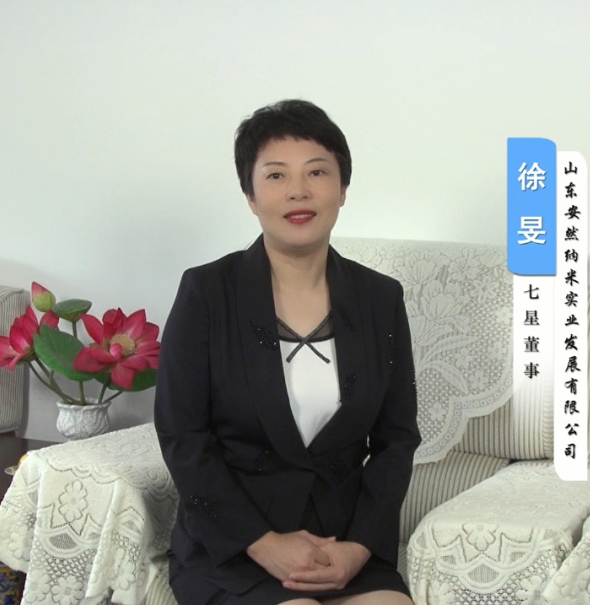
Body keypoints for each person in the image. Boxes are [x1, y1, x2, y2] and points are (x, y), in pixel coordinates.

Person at [154, 99, 421, 605]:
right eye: (276, 175)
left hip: (340, 544)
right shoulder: (207, 293)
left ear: (342, 189)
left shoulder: (380, 299)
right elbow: (182, 436)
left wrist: (359, 547)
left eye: (317, 172)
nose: (298, 190)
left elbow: (397, 439)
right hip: (234, 546)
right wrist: (263, 544)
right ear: (250, 196)